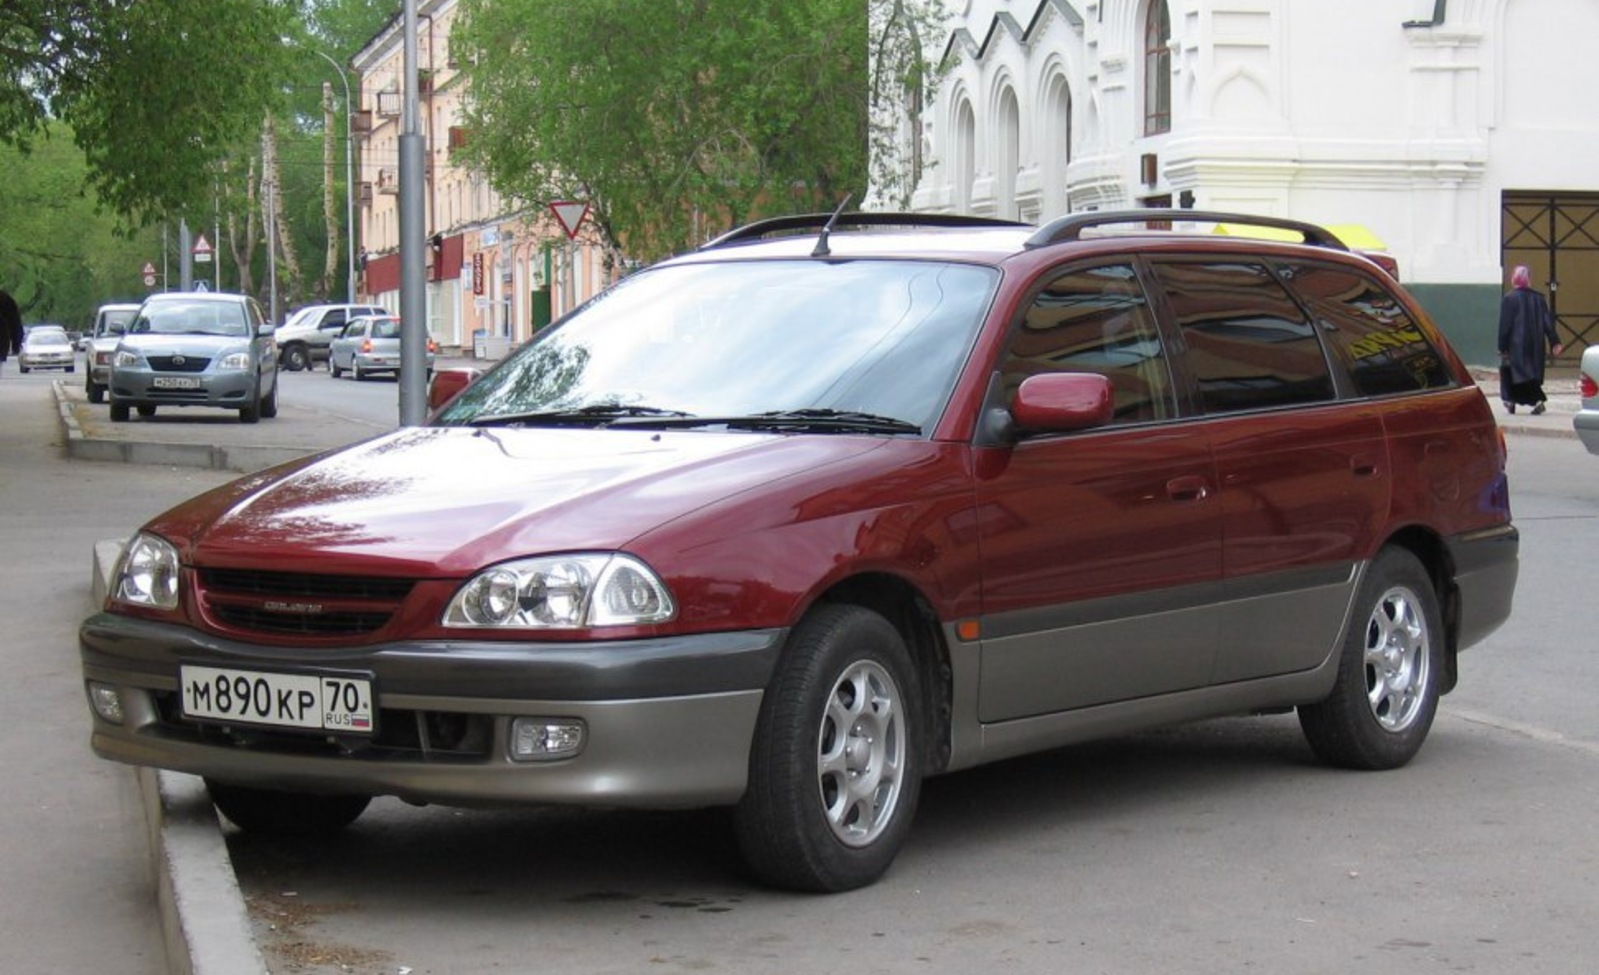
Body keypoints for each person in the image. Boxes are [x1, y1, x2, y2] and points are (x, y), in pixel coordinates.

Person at [1498, 265, 1563, 414]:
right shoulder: (1539, 298)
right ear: (1528, 279)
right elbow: (1547, 323)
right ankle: (1515, 401)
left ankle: (1515, 400)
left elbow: (1505, 325)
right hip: (1535, 344)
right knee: (1529, 375)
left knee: (1516, 373)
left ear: (1514, 278)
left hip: (1516, 344)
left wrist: (1502, 346)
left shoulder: (1509, 298)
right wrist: (1555, 341)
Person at [0, 289, 24, 374]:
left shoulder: (4, 299)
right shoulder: (5, 299)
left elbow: (15, 324)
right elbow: (15, 323)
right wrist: (16, 345)